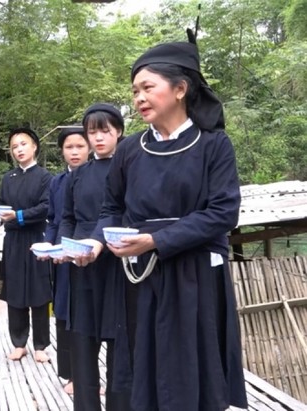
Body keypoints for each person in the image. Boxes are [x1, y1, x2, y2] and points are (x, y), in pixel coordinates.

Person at [79, 38, 248, 410]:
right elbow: (112, 208)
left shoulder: (214, 145)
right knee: (144, 371)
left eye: (147, 87)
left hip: (195, 276)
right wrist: (95, 244)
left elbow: (223, 214)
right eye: (135, 90)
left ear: (180, 89)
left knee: (192, 372)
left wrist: (154, 240)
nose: (138, 98)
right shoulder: (130, 150)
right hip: (141, 278)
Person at [55, 104, 131, 411]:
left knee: (118, 340)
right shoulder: (78, 174)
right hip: (81, 264)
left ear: (119, 132)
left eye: (105, 131)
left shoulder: (130, 167)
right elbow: (67, 217)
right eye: (92, 132)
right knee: (83, 340)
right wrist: (65, 247)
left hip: (117, 260)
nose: (98, 138)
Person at [0, 127, 53, 362]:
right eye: (14, 147)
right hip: (13, 240)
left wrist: (18, 216)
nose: (19, 149)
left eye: (23, 144)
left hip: (36, 238)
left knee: (39, 291)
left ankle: (40, 345)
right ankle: (19, 343)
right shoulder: (8, 178)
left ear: (34, 146)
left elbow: (45, 207)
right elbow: (1, 206)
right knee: (15, 291)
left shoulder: (45, 177)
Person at [41, 125, 88, 395]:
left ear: (89, 147)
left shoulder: (102, 176)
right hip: (61, 257)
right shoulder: (57, 182)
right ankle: (70, 374)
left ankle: (93, 375)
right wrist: (49, 245)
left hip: (90, 251)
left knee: (90, 314)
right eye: (69, 147)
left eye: (79, 146)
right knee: (64, 312)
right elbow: (52, 220)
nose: (74, 152)